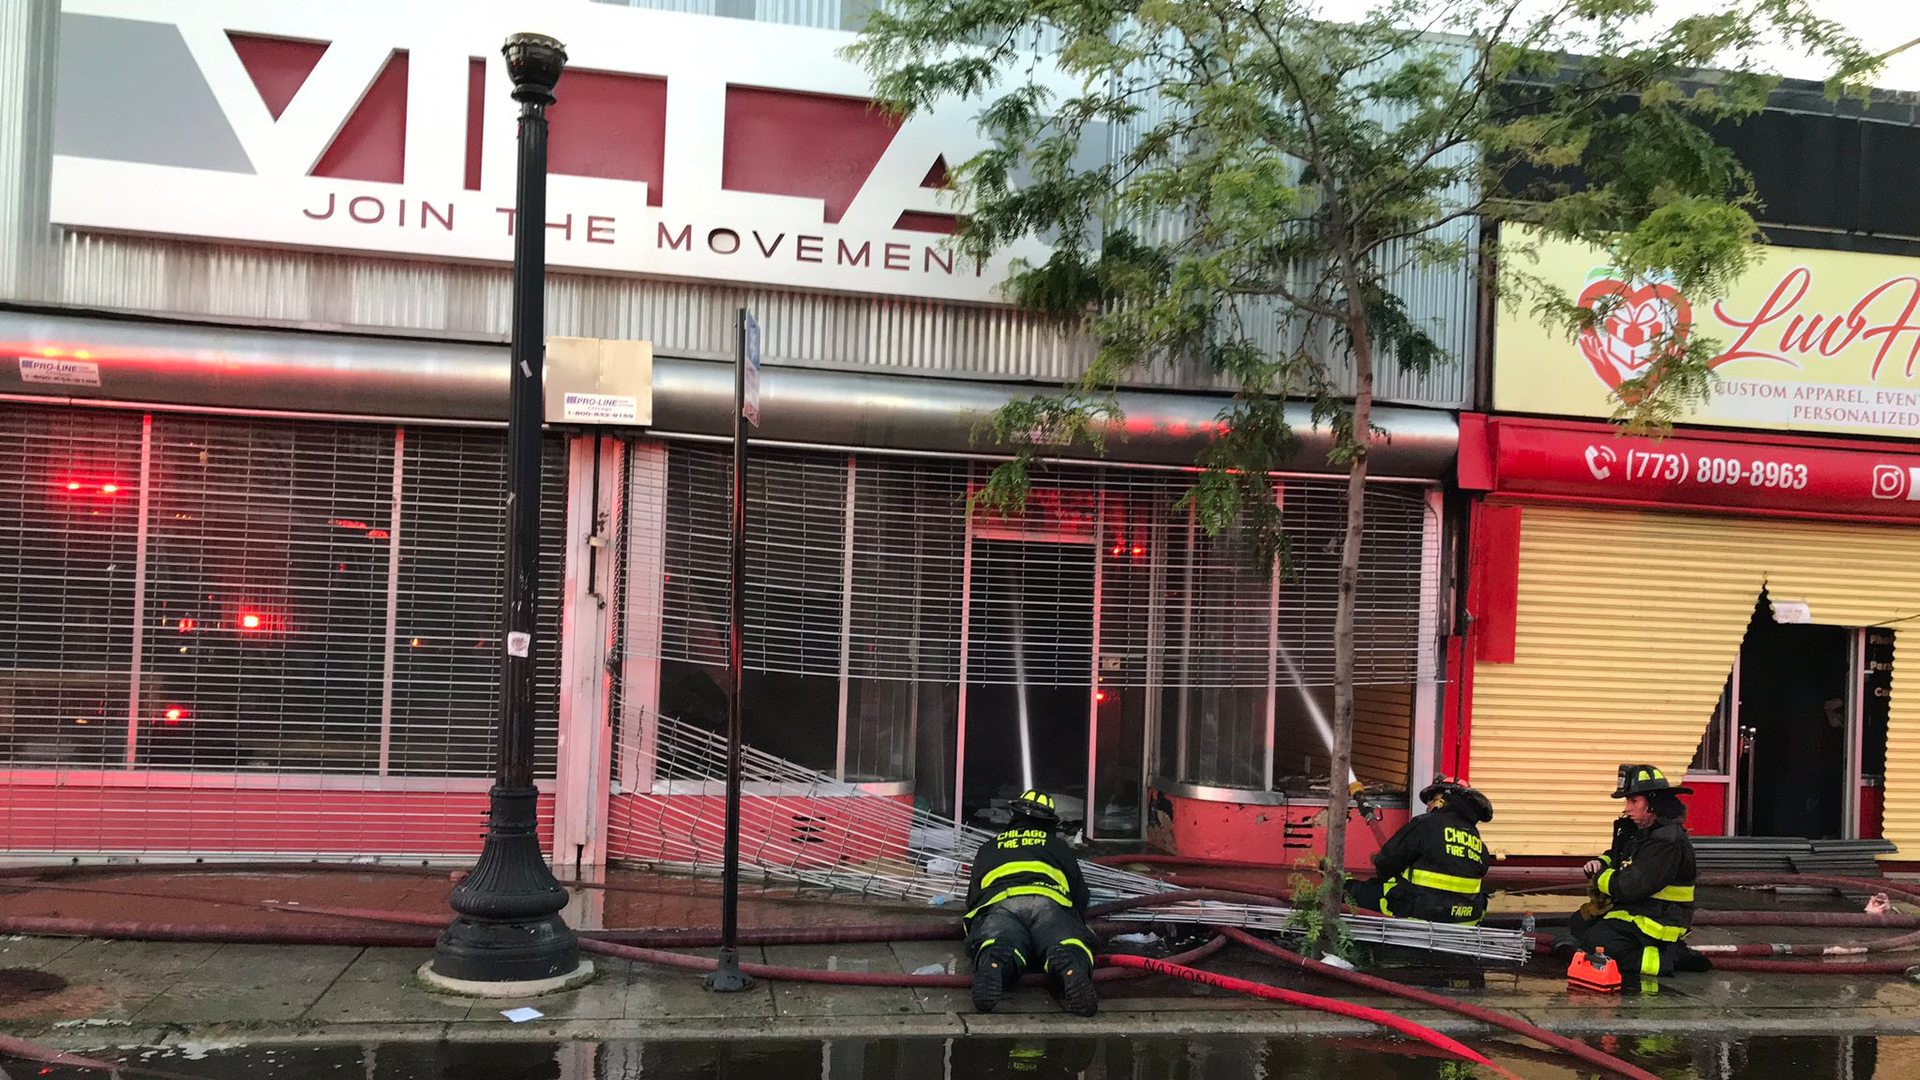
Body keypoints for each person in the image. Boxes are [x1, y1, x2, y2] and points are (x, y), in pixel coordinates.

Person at [1555, 764, 1711, 977]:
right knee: (1578, 925)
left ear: (1653, 803)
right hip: (1640, 909)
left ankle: (1671, 958)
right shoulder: (1644, 831)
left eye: (1634, 801)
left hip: (1661, 919)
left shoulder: (1666, 841)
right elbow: (1621, 856)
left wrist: (1599, 878)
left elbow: (1631, 887)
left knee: (1596, 944)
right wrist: (1601, 862)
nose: (1628, 808)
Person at [963, 789, 1098, 1017]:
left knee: (1000, 939)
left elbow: (973, 900)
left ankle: (996, 961)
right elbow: (1080, 896)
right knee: (1066, 939)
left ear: (1014, 816)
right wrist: (1072, 920)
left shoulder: (989, 847)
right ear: (1049, 823)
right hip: (1048, 903)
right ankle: (1068, 963)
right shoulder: (1058, 846)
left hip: (1001, 903)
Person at [1345, 776, 1492, 924]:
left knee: (1348, 891)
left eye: (1432, 798)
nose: (1428, 804)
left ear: (1443, 801)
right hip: (1464, 920)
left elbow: (1385, 864)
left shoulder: (1426, 824)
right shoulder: (1477, 841)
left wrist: (1381, 861)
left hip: (1419, 913)